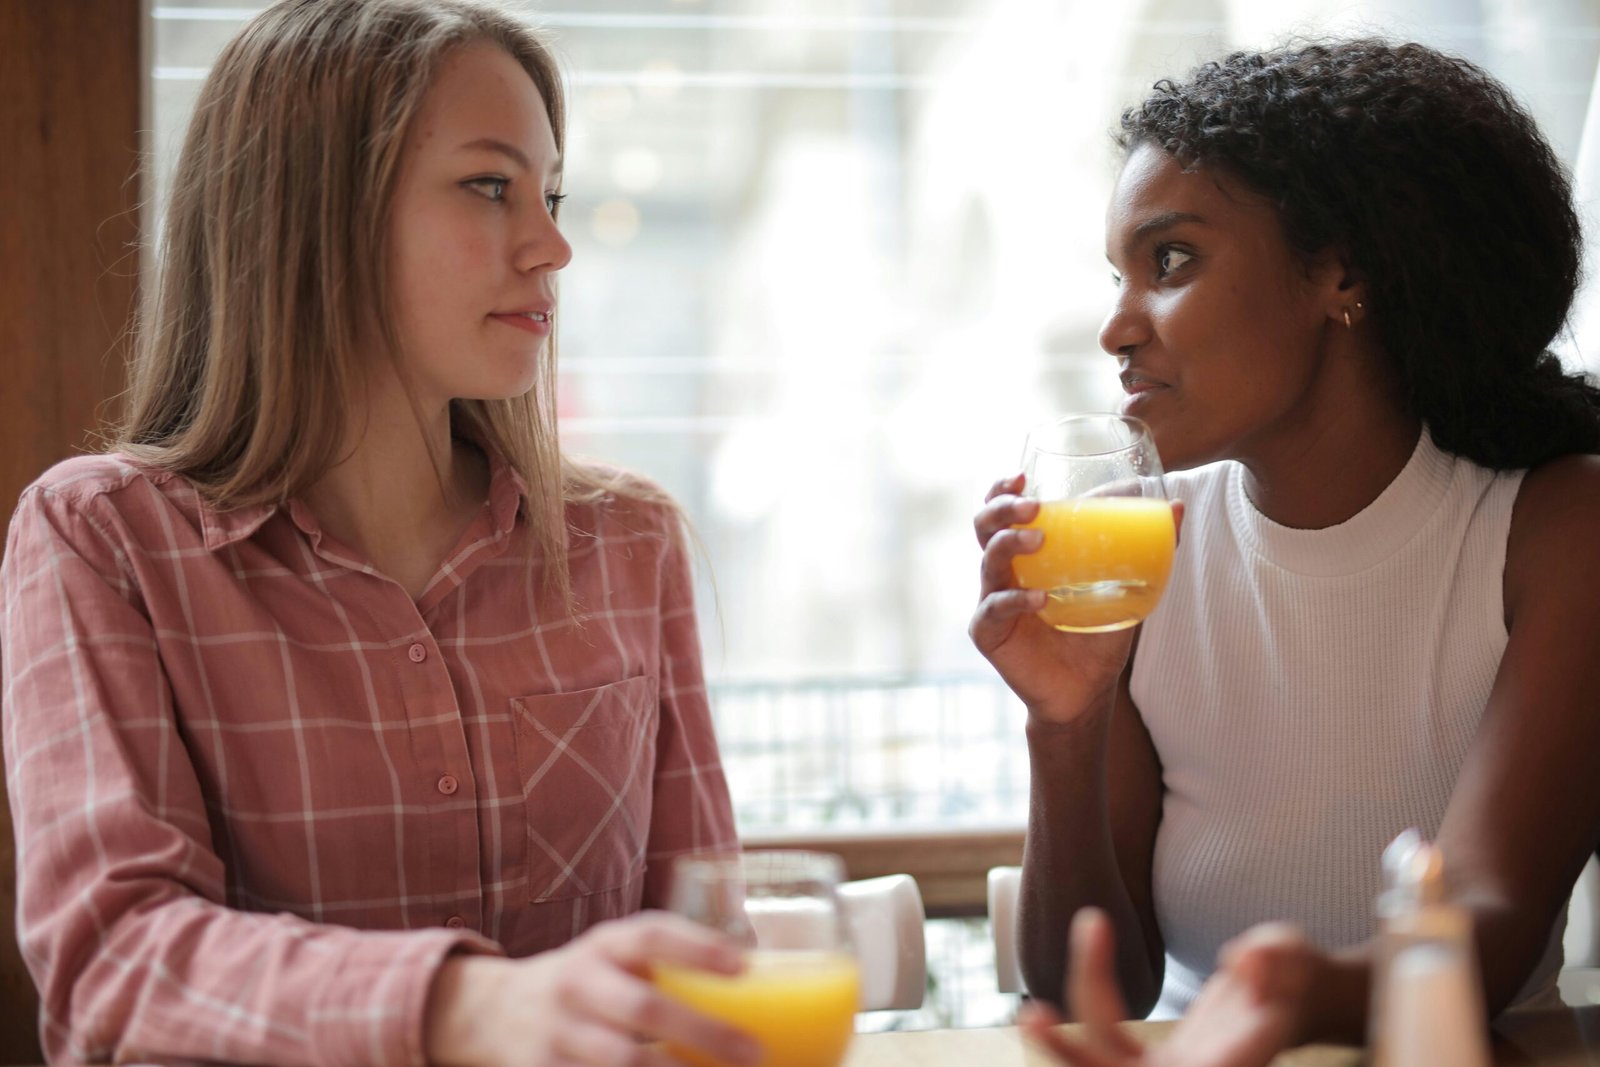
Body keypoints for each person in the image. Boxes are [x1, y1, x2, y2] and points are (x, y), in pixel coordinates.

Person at [0, 2, 762, 1065]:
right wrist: (470, 1007)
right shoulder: (102, 541)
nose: (553, 244)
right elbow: (112, 966)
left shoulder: (628, 542)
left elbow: (704, 949)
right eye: (490, 187)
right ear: (314, 213)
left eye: (548, 193)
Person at [971, 37, 1600, 1066]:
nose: (1115, 328)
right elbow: (1092, 986)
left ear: (1338, 269)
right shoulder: (1143, 541)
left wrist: (1282, 989)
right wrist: (1065, 722)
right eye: (1119, 274)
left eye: (1169, 260)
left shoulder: (1554, 525)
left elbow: (1485, 928)